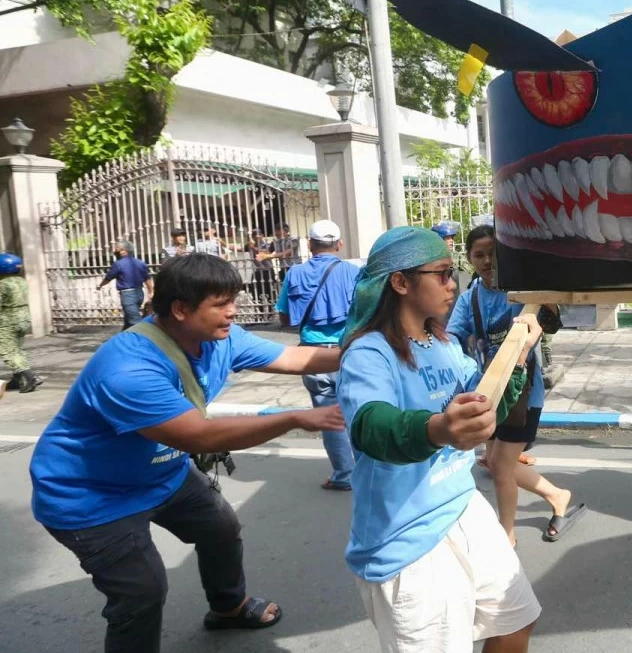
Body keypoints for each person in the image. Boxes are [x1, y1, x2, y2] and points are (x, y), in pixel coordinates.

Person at [29, 253, 345, 653]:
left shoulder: (221, 338)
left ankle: (229, 607)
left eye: (233, 301)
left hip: (162, 475)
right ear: (180, 309)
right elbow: (199, 437)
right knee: (141, 591)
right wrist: (295, 418)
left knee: (220, 528)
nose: (233, 312)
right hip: (90, 495)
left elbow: (294, 357)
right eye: (220, 304)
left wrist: (366, 351)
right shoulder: (128, 369)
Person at [336, 226, 542, 653]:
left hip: (465, 509)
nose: (454, 285)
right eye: (444, 274)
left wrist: (517, 358)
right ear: (400, 282)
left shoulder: (444, 344)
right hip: (407, 538)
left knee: (516, 622)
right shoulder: (368, 353)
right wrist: (439, 428)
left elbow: (489, 407)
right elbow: (372, 426)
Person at [448, 224, 586, 544]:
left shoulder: (522, 290)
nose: (486, 261)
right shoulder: (470, 299)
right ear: (469, 259)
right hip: (489, 392)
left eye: (493, 254)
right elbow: (452, 337)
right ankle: (557, 495)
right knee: (498, 464)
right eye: (478, 255)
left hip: (524, 391)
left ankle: (506, 535)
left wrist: (540, 317)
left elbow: (550, 319)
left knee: (499, 466)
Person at [276, 220, 362, 491]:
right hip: (349, 352)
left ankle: (343, 475)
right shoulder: (353, 272)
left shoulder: (294, 274)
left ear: (310, 244)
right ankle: (367, 472)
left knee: (328, 416)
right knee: (360, 412)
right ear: (339, 244)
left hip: (312, 356)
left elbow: (284, 316)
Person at [0, 252, 40, 398]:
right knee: (17, 348)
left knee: (7, 350)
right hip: (23, 318)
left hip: (8, 320)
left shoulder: (2, 285)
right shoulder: (21, 281)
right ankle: (18, 380)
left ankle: (30, 377)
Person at [98, 240, 153, 330]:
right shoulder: (140, 263)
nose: (115, 251)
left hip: (127, 295)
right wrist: (151, 291)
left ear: (124, 251)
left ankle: (145, 340)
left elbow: (109, 278)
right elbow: (147, 278)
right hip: (139, 293)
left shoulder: (118, 264)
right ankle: (123, 337)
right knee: (128, 320)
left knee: (135, 321)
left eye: (117, 249)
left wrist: (100, 285)